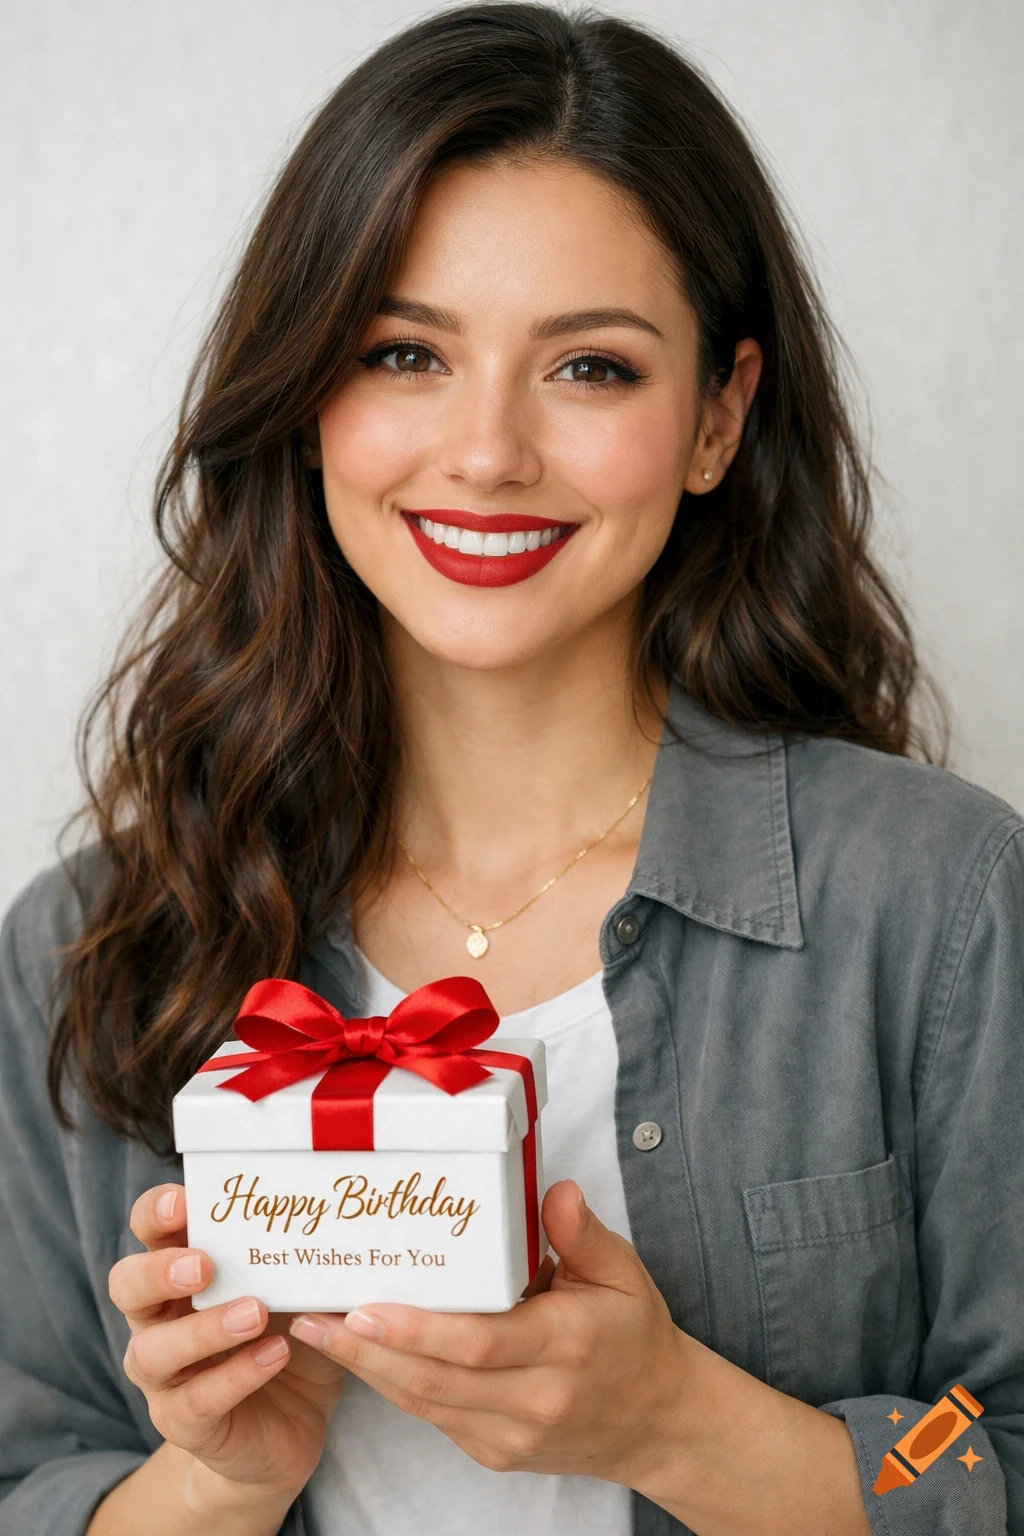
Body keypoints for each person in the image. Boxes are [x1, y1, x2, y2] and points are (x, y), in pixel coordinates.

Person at [1, 4, 1021, 1534]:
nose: (485, 453)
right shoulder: (82, 948)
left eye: (591, 369)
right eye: (404, 352)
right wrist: (216, 1479)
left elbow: (995, 1443)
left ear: (718, 418)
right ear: (306, 401)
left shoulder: (942, 904)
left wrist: (682, 1425)